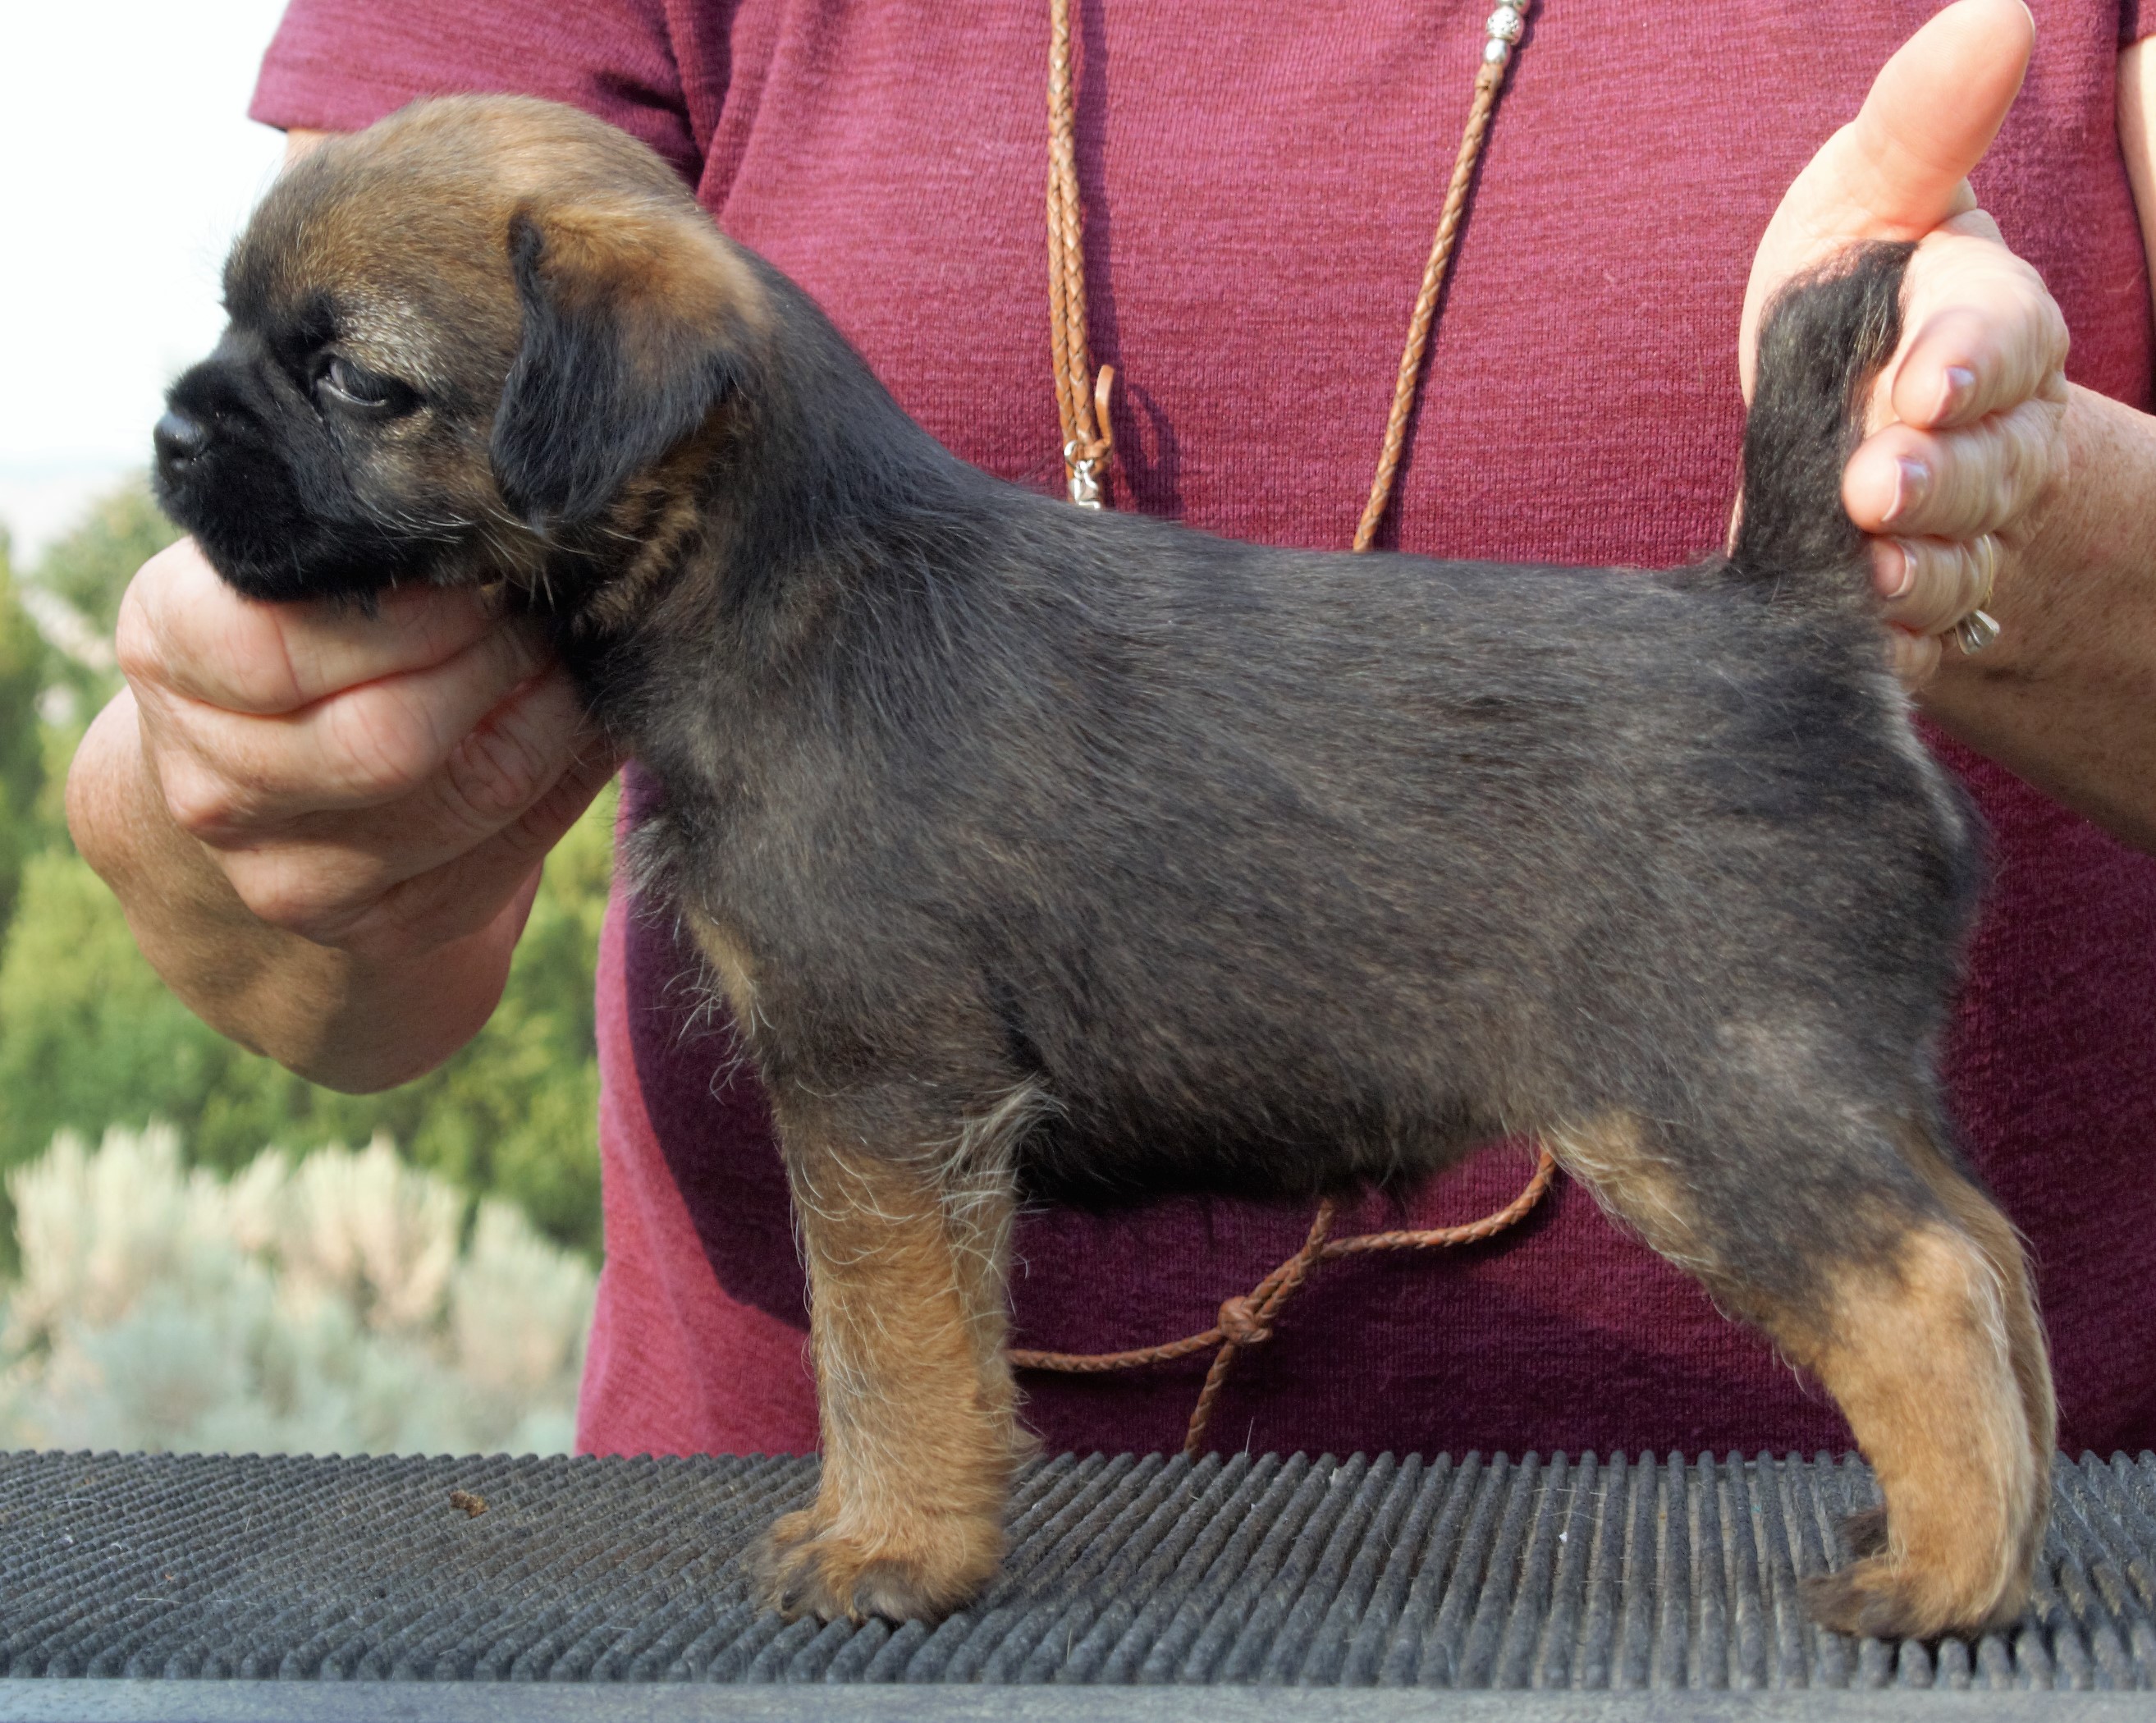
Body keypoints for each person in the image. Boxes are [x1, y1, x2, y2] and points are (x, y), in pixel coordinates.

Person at [71, 0, 2156, 1460]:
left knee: (1787, 1175)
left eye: (332, 381)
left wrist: (2006, 512)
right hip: (769, 1600)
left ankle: (1966, 1517)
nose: (215, 413)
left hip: (1793, 1599)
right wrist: (239, 801)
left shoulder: (656, 366)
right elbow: (298, 952)